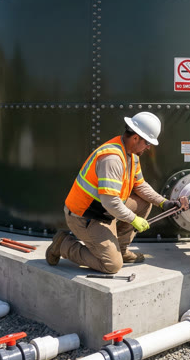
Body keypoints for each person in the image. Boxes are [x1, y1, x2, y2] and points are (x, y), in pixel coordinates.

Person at [46, 112, 181, 273]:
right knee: (112, 265)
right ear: (135, 138)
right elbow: (110, 202)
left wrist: (163, 202)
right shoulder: (113, 159)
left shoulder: (132, 155)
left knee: (144, 203)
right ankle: (64, 245)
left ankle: (121, 250)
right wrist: (133, 219)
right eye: (147, 142)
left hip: (104, 211)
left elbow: (140, 185)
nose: (149, 147)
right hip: (85, 217)